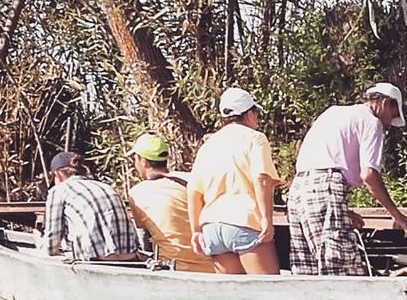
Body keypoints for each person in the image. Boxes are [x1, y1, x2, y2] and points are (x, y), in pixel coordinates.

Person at [287, 82, 407, 275]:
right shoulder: (372, 122)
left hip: (298, 189)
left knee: (308, 270)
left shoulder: (334, 112)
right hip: (326, 188)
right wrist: (398, 216)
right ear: (385, 103)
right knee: (339, 266)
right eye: (393, 116)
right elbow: (369, 175)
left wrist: (342, 211)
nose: (389, 124)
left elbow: (322, 167)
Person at [185, 86, 281, 275]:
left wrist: (195, 230)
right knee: (269, 292)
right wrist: (266, 219)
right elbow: (261, 178)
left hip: (212, 227)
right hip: (244, 221)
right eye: (257, 114)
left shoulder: (208, 145)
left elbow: (194, 191)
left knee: (232, 298)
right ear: (250, 114)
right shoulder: (255, 139)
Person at [124, 133, 217, 273]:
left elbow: (143, 232)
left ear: (143, 161)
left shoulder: (137, 193)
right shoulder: (191, 178)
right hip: (213, 266)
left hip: (173, 267)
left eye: (135, 159)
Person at [41, 150, 142, 262]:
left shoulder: (59, 190)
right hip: (130, 257)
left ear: (57, 174)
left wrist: (39, 242)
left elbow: (50, 246)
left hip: (98, 259)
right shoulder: (105, 186)